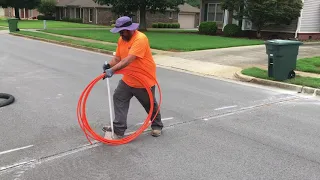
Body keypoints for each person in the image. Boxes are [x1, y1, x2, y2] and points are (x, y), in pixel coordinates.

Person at [102, 16, 163, 139]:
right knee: (119, 97)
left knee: (149, 105)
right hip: (128, 78)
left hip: (143, 80)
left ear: (130, 29)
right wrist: (109, 65)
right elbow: (118, 58)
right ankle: (119, 128)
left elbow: (129, 59)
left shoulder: (140, 39)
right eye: (119, 31)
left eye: (122, 31)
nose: (120, 34)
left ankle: (157, 126)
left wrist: (112, 71)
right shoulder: (122, 39)